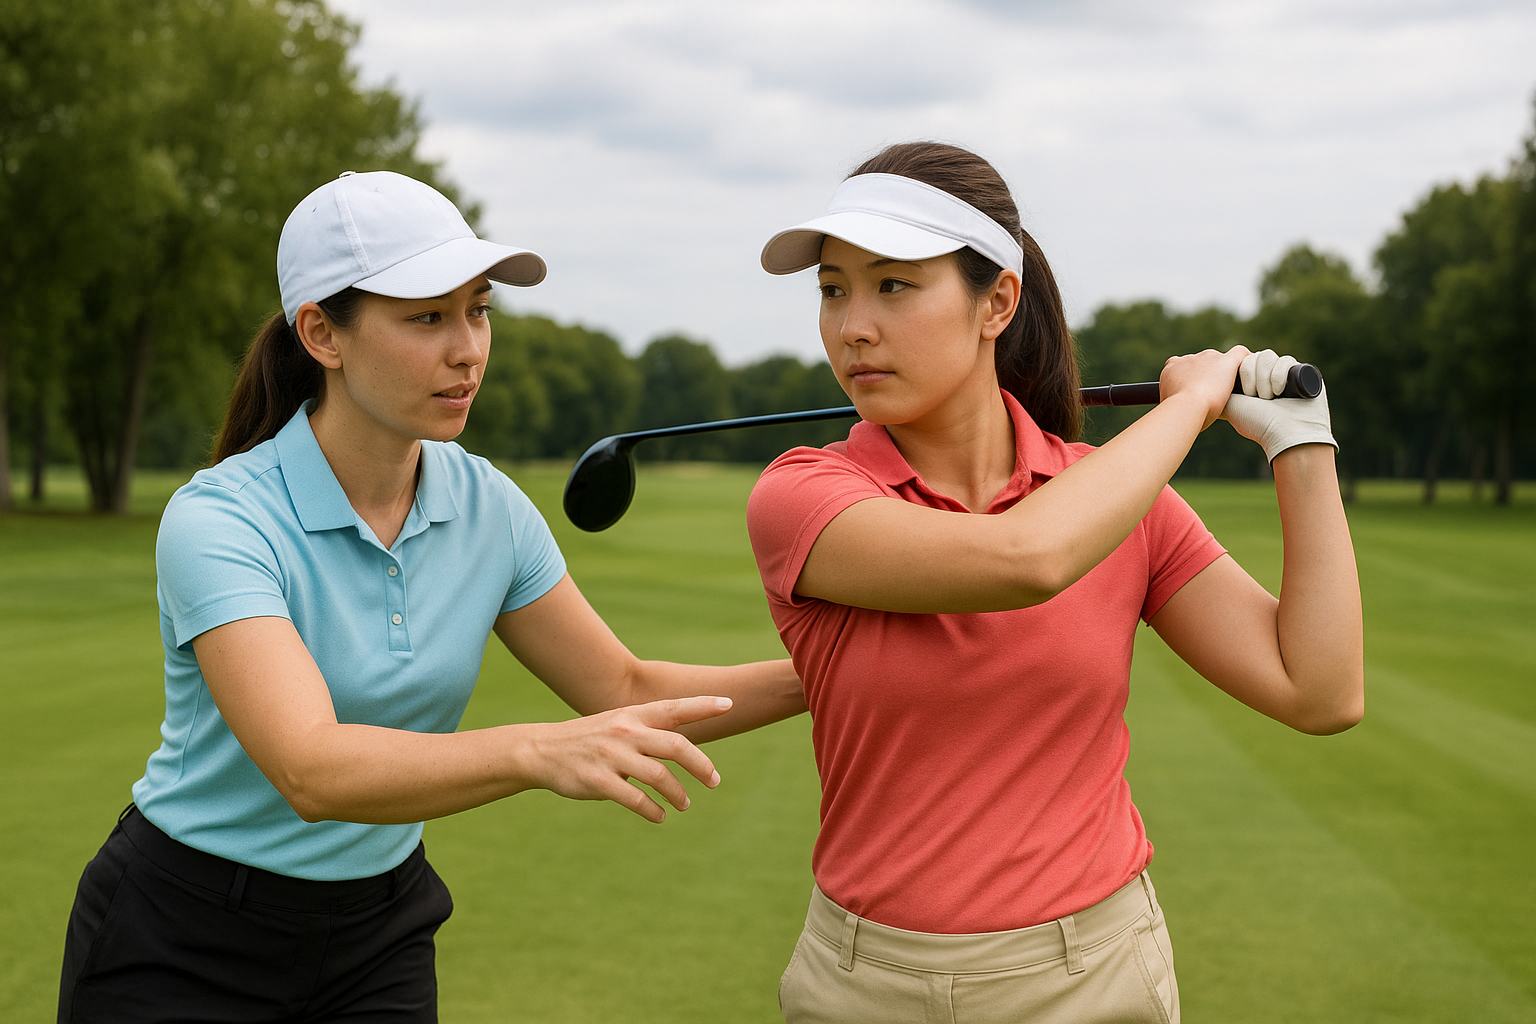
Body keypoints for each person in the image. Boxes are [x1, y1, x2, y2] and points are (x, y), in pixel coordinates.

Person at [57, 170, 806, 1023]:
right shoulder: (221, 518)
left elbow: (625, 690)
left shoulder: (488, 506)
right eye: (426, 317)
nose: (468, 348)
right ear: (321, 335)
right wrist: (532, 751)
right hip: (181, 936)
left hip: (379, 933)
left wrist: (824, 675)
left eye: (478, 309)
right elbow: (311, 766)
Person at [746, 142, 1363, 1024]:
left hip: (1094, 978)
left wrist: (1301, 446)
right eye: (833, 288)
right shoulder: (803, 494)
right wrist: (1190, 403)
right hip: (863, 984)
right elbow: (1025, 562)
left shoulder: (1120, 506)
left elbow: (1320, 688)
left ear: (997, 301)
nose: (852, 326)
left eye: (893, 285)